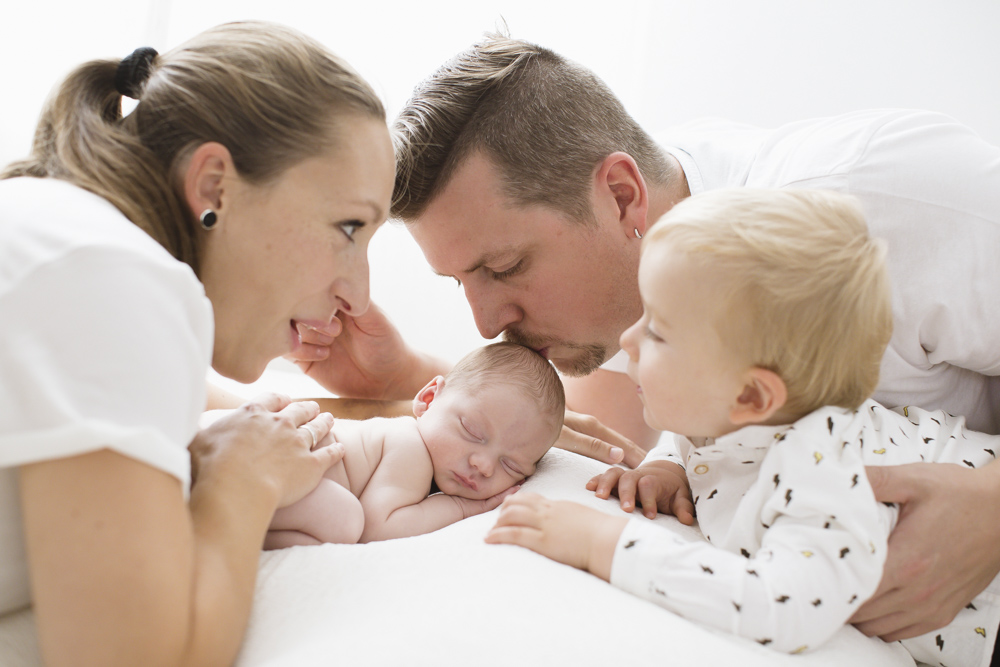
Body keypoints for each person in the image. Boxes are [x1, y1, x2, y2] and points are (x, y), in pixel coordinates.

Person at [291, 33, 1000, 641]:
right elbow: (595, 441)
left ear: (623, 195)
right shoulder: (631, 302)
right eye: (459, 283)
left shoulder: (882, 200)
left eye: (504, 268)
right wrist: (400, 380)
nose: (484, 321)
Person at [0, 21, 395, 667]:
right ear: (214, 187)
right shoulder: (107, 271)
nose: (359, 294)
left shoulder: (69, 239)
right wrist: (242, 477)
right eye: (349, 226)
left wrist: (402, 402)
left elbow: (219, 405)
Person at [485, 188, 1000, 665]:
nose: (627, 340)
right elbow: (693, 435)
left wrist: (605, 543)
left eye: (657, 332)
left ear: (753, 395)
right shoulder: (729, 418)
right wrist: (667, 467)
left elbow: (784, 606)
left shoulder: (819, 468)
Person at [260, 342, 563, 548]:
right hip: (270, 471)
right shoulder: (411, 449)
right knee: (344, 519)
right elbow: (378, 529)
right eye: (471, 431)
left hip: (271, 470)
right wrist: (461, 507)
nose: (483, 466)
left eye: (511, 466)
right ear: (428, 399)